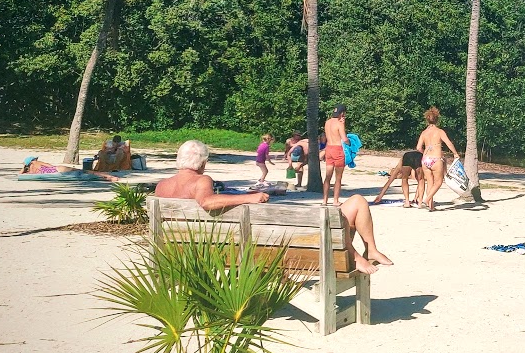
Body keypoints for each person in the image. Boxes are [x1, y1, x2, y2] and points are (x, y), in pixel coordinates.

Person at [156, 139, 393, 274]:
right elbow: (206, 202)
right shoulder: (202, 181)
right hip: (236, 253)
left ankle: (364, 251)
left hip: (181, 252)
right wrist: (248, 198)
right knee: (353, 206)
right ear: (203, 163)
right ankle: (364, 252)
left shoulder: (162, 187)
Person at [415, 107, 459, 211]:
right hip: (436, 159)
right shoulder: (439, 131)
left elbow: (418, 148)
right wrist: (455, 153)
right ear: (437, 119)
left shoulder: (424, 133)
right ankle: (426, 201)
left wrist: (425, 152)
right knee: (438, 182)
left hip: (425, 160)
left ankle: (431, 207)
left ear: (427, 119)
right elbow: (448, 143)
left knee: (430, 182)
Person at [322, 105, 349, 206]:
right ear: (342, 113)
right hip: (337, 149)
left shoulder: (327, 122)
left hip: (329, 149)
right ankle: (335, 200)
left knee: (327, 177)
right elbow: (344, 139)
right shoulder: (339, 124)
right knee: (338, 178)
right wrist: (350, 143)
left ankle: (324, 200)